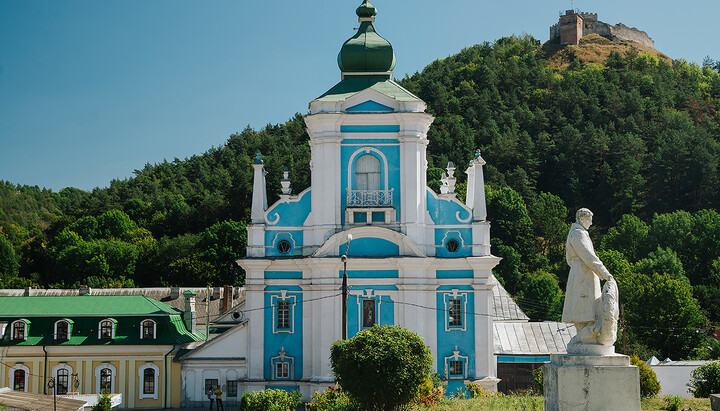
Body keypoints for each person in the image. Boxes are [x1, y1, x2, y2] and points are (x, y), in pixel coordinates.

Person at [562, 208, 614, 348]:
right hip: (583, 273)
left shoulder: (579, 233)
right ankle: (585, 337)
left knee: (588, 307)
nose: (591, 223)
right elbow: (589, 256)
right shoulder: (578, 234)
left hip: (583, 272)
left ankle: (586, 336)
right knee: (583, 307)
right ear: (582, 219)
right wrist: (604, 273)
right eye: (589, 219)